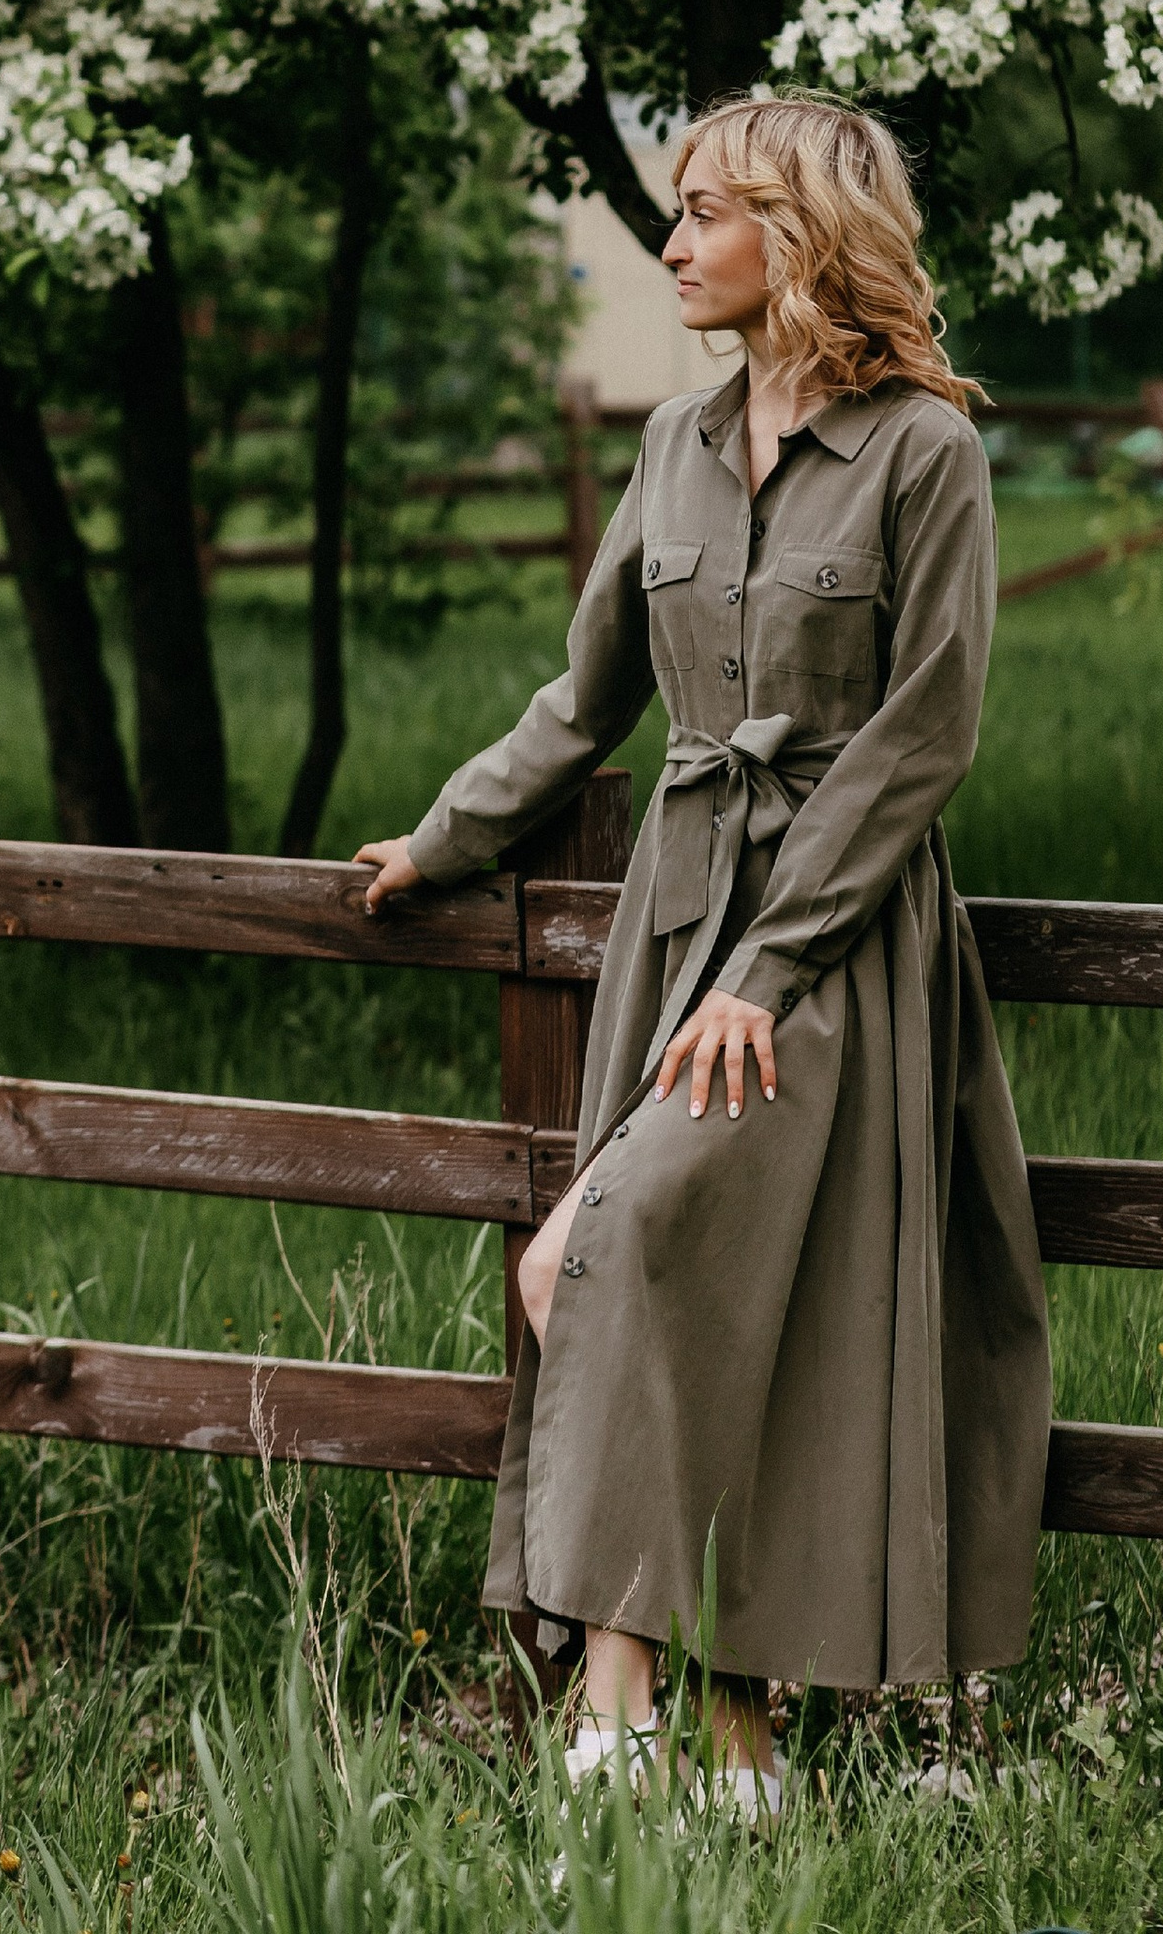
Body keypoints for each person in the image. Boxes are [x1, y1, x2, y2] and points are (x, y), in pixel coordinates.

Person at [357, 93, 1051, 1805]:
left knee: (615, 1258)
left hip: (829, 958)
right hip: (674, 935)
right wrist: (442, 838)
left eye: (708, 212)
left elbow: (924, 731)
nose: (672, 242)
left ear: (804, 235)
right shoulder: (673, 441)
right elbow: (586, 696)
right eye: (674, 212)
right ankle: (718, 1742)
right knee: (674, 1293)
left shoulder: (925, 452)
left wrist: (773, 961)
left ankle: (620, 1726)